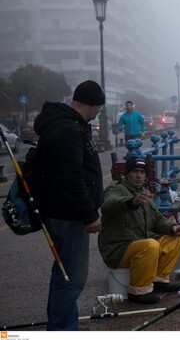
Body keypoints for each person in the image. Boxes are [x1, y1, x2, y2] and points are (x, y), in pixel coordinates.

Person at [33, 80, 105, 331]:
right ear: (93, 104)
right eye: (99, 108)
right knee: (70, 277)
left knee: (67, 274)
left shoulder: (67, 125)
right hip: (68, 215)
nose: (98, 113)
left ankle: (64, 325)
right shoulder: (68, 130)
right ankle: (62, 329)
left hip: (65, 212)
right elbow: (70, 177)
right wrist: (89, 214)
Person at [98, 157, 180, 304]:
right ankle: (138, 291)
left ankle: (159, 280)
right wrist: (132, 202)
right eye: (134, 172)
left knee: (176, 238)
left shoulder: (144, 191)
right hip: (117, 249)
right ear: (127, 174)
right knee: (150, 245)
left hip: (139, 245)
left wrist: (173, 227)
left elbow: (157, 218)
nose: (139, 176)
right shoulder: (115, 188)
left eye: (142, 172)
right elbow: (108, 205)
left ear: (146, 175)